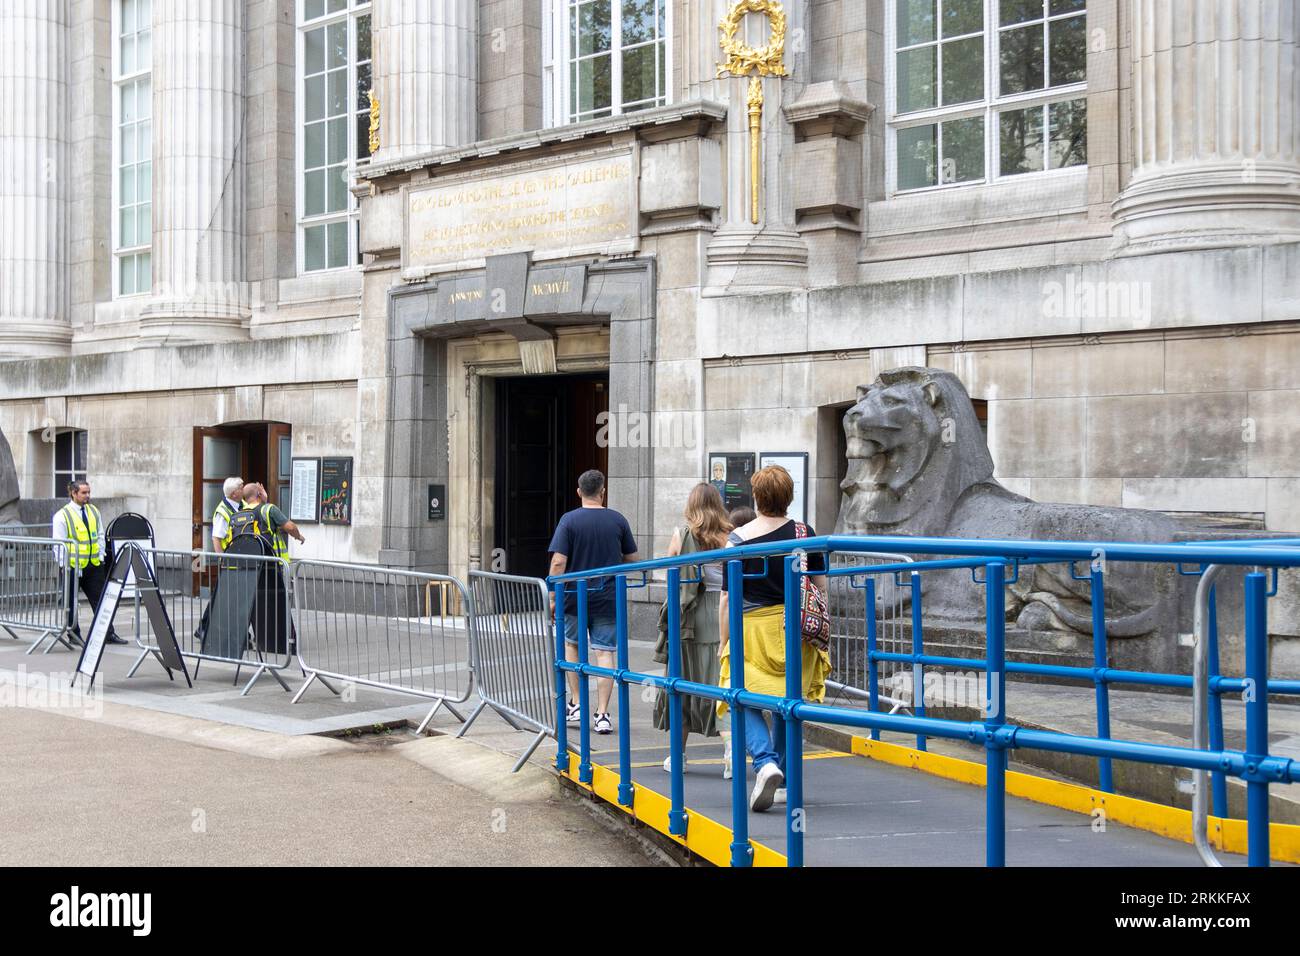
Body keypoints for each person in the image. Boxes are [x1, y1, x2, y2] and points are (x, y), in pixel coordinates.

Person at [717, 465, 831, 812]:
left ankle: (764, 761)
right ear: (789, 497)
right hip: (794, 627)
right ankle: (782, 777)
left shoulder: (737, 539)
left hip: (753, 628)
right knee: (787, 700)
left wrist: (725, 642)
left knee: (740, 697)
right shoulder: (804, 532)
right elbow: (821, 587)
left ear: (756, 496)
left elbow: (726, 599)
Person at [548, 469, 638, 735]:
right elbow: (633, 559)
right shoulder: (617, 520)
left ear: (579, 492)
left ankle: (576, 704)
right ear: (603, 491)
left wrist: (553, 597)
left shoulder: (569, 521)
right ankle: (602, 715)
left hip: (574, 597)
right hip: (608, 596)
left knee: (571, 646)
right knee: (605, 653)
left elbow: (558, 561)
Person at [654, 483, 728, 773]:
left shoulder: (682, 534)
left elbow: (670, 574)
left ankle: (678, 756)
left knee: (680, 682)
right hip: (722, 611)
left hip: (688, 616)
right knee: (721, 685)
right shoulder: (729, 535)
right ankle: (731, 753)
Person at [52, 480, 126, 645]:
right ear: (73, 493)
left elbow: (100, 534)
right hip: (73, 566)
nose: (87, 496)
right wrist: (64, 565)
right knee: (71, 603)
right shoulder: (62, 515)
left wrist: (100, 557)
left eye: (88, 492)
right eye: (84, 493)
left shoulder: (93, 511)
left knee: (100, 600)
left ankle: (108, 633)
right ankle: (74, 634)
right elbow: (59, 544)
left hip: (93, 565)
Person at [211, 476, 244, 553]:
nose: (244, 490)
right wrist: (222, 560)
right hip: (231, 559)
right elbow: (216, 538)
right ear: (233, 494)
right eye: (241, 489)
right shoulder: (222, 512)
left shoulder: (244, 504)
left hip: (243, 557)